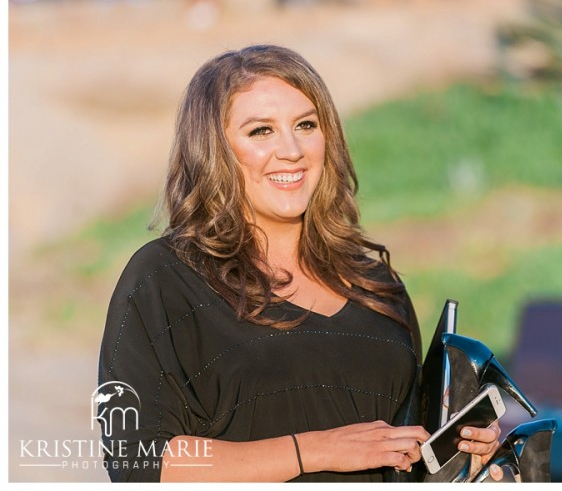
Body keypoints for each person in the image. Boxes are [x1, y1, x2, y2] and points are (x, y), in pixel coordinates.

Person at [97, 44, 501, 482]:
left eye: (306, 125)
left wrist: (463, 449)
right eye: (260, 131)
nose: (291, 150)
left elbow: (406, 451)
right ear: (213, 151)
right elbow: (136, 461)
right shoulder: (164, 279)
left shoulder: (375, 285)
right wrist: (317, 449)